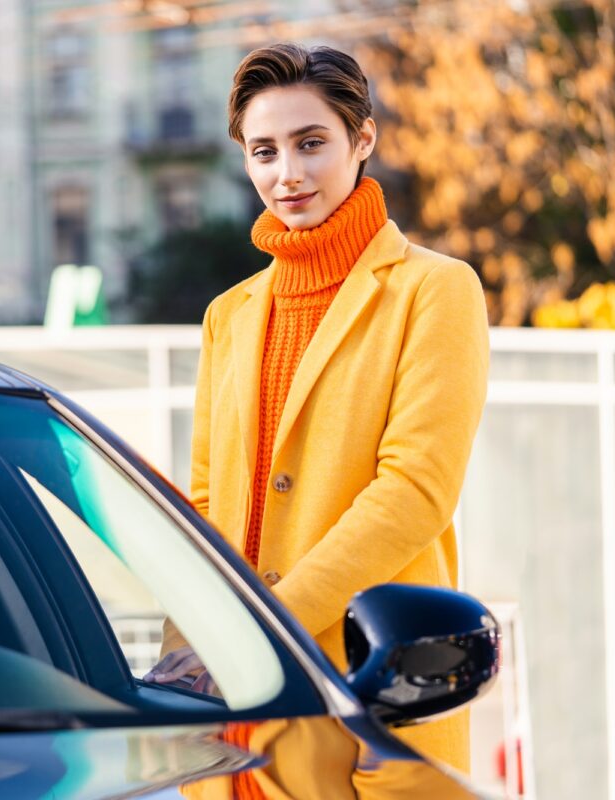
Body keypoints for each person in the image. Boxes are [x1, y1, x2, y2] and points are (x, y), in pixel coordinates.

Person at [145, 42, 490, 797]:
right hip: (238, 718)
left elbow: (414, 491)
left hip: (367, 695)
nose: (287, 174)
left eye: (311, 144)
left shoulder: (436, 291)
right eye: (264, 151)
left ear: (362, 139)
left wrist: (267, 628)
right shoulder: (227, 316)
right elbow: (204, 506)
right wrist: (186, 658)